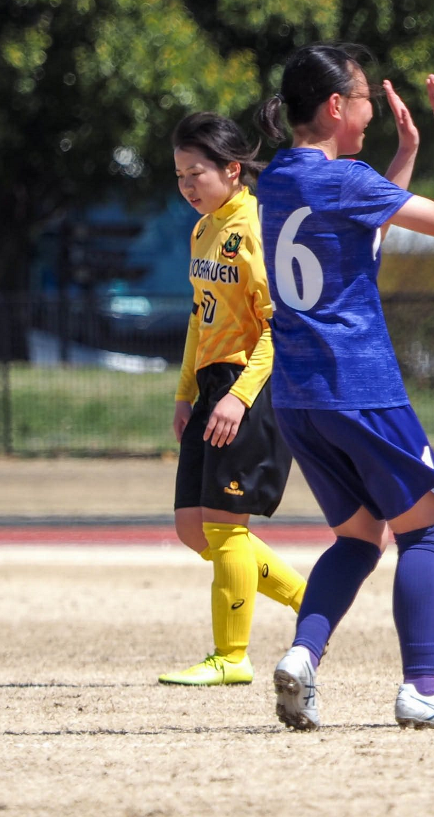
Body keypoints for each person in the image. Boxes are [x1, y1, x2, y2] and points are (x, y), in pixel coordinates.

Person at [260, 44, 434, 731]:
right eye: (363, 99)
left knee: (360, 537)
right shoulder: (345, 181)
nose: (369, 111)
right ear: (336, 107)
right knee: (425, 530)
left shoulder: (276, 180)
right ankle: (422, 689)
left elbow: (359, 231)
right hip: (359, 386)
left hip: (299, 397)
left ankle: (303, 655)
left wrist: (404, 155)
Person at [160, 113, 308, 687]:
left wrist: (239, 397)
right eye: (178, 174)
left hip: (254, 387)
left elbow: (280, 326)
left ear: (232, 169)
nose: (187, 185)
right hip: (212, 388)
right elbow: (200, 320)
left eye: (196, 172)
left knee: (224, 528)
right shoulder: (202, 231)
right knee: (194, 529)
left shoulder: (254, 228)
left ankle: (232, 656)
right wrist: (186, 392)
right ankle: (311, 597)